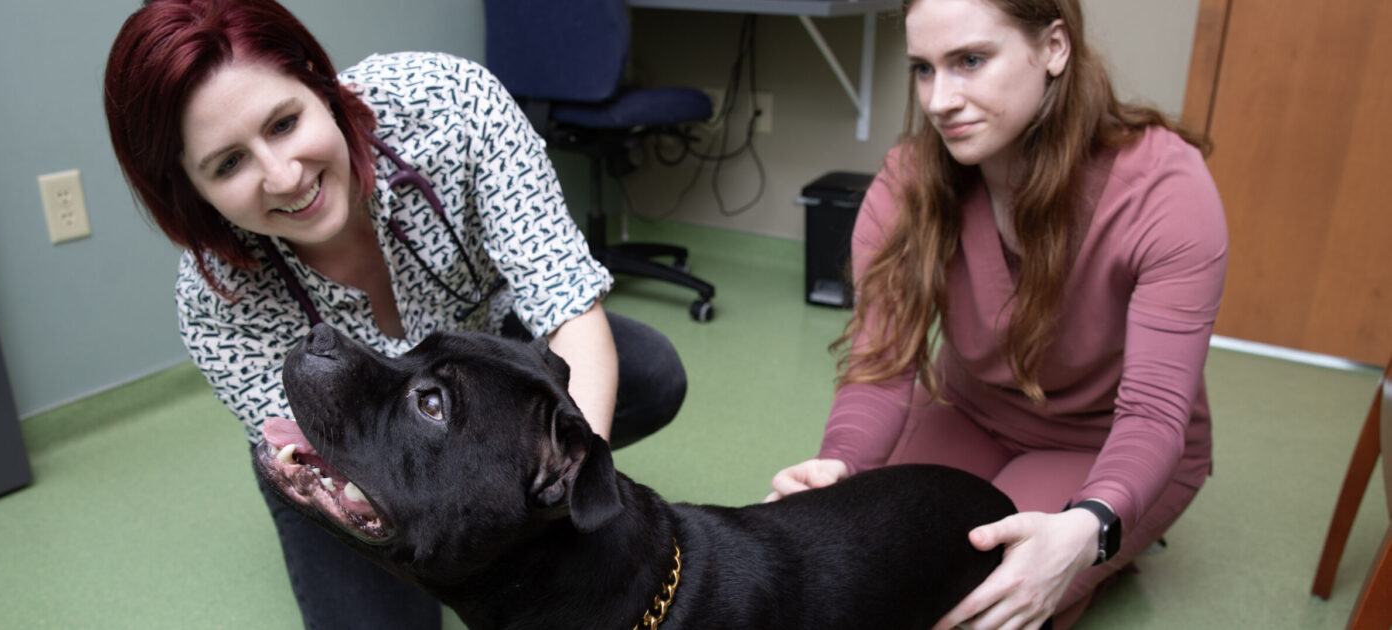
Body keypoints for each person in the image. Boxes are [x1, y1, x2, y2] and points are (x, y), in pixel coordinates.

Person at [103, 1, 687, 627]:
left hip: (488, 348)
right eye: (228, 164)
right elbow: (331, 453)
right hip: (340, 438)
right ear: (190, 188)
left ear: (315, 80)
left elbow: (567, 304)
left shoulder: (452, 104)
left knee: (646, 371)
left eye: (283, 123)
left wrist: (566, 476)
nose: (284, 175)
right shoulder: (216, 304)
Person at [767, 0, 1226, 628]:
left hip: (1108, 438)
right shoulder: (910, 182)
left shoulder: (1166, 190)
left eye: (971, 61)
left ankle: (1103, 559)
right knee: (863, 566)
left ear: (1055, 48)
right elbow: (881, 368)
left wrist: (1091, 524)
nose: (939, 100)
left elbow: (1152, 415)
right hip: (970, 413)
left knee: (977, 598)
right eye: (923, 70)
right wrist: (839, 466)